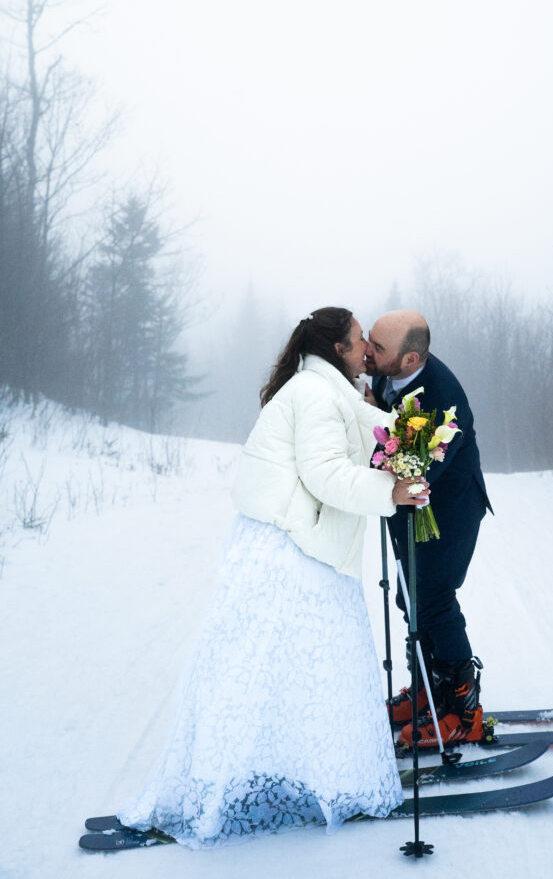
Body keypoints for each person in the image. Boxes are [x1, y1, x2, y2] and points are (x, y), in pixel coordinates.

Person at [114, 307, 430, 849]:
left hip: (301, 549)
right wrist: (391, 492)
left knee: (295, 673)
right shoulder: (315, 395)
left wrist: (402, 443)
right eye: (359, 343)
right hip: (291, 554)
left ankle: (301, 775)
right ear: (336, 349)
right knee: (268, 670)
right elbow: (325, 474)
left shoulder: (331, 391)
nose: (367, 353)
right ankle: (234, 788)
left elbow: (352, 437)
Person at [364, 309, 492, 749]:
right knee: (410, 597)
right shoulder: (387, 374)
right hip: (408, 509)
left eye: (377, 348)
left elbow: (416, 471)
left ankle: (465, 711)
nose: (367, 351)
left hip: (448, 511)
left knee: (434, 600)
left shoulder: (441, 398)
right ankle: (425, 693)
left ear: (410, 357)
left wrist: (373, 436)